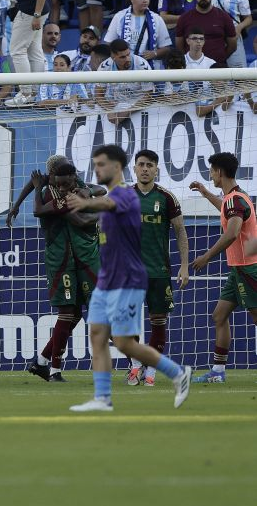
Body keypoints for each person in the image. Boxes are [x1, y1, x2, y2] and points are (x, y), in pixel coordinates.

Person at [65, 144, 192, 412]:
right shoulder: (114, 197)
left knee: (124, 342)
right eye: (95, 164)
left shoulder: (125, 196)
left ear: (116, 168)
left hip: (128, 279)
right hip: (107, 279)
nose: (97, 169)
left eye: (101, 164)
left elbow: (109, 203)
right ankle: (102, 398)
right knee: (97, 335)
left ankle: (178, 373)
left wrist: (86, 202)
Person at [25, 161, 100, 383]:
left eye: (66, 182)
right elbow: (79, 220)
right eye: (57, 182)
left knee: (76, 314)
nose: (63, 187)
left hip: (78, 259)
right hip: (61, 260)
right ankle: (55, 370)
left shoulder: (75, 187)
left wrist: (88, 191)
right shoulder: (54, 196)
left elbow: (101, 189)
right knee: (68, 313)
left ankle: (41, 361)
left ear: (73, 177)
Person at [123, 149, 190, 387]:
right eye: (141, 164)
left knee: (158, 320)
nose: (144, 169)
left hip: (159, 271)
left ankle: (150, 369)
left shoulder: (167, 198)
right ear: (134, 168)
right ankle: (135, 367)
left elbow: (180, 231)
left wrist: (184, 266)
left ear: (156, 169)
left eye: (149, 165)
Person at [189, 152, 257, 384]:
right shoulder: (236, 197)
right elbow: (226, 211)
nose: (210, 175)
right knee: (219, 316)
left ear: (219, 172)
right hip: (239, 269)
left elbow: (232, 232)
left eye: (211, 171)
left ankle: (217, 371)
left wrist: (206, 256)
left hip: (250, 269)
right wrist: (206, 194)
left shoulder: (235, 200)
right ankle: (218, 372)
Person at [94, 39, 154, 125]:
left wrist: (127, 112)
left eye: (128, 54)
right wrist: (109, 109)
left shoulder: (141, 65)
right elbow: (98, 95)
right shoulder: (104, 67)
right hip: (116, 108)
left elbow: (149, 95)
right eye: (122, 57)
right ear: (113, 57)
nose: (128, 59)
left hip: (139, 108)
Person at [103, 0, 173, 69]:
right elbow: (108, 43)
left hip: (149, 67)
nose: (145, 1)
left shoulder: (157, 19)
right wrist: (121, 56)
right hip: (123, 67)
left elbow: (166, 48)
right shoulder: (119, 17)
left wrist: (154, 53)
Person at [3, 0, 48, 106]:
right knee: (34, 50)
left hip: (31, 11)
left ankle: (25, 93)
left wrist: (36, 15)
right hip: (35, 10)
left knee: (17, 51)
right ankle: (33, 93)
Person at [174, 0, 236, 68]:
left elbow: (232, 45)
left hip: (218, 69)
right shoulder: (184, 18)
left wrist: (221, 57)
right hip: (191, 69)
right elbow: (179, 46)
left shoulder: (224, 17)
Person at [211, 0, 250, 68]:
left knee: (239, 73)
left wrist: (239, 27)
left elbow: (249, 18)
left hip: (233, 37)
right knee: (214, 71)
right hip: (213, 37)